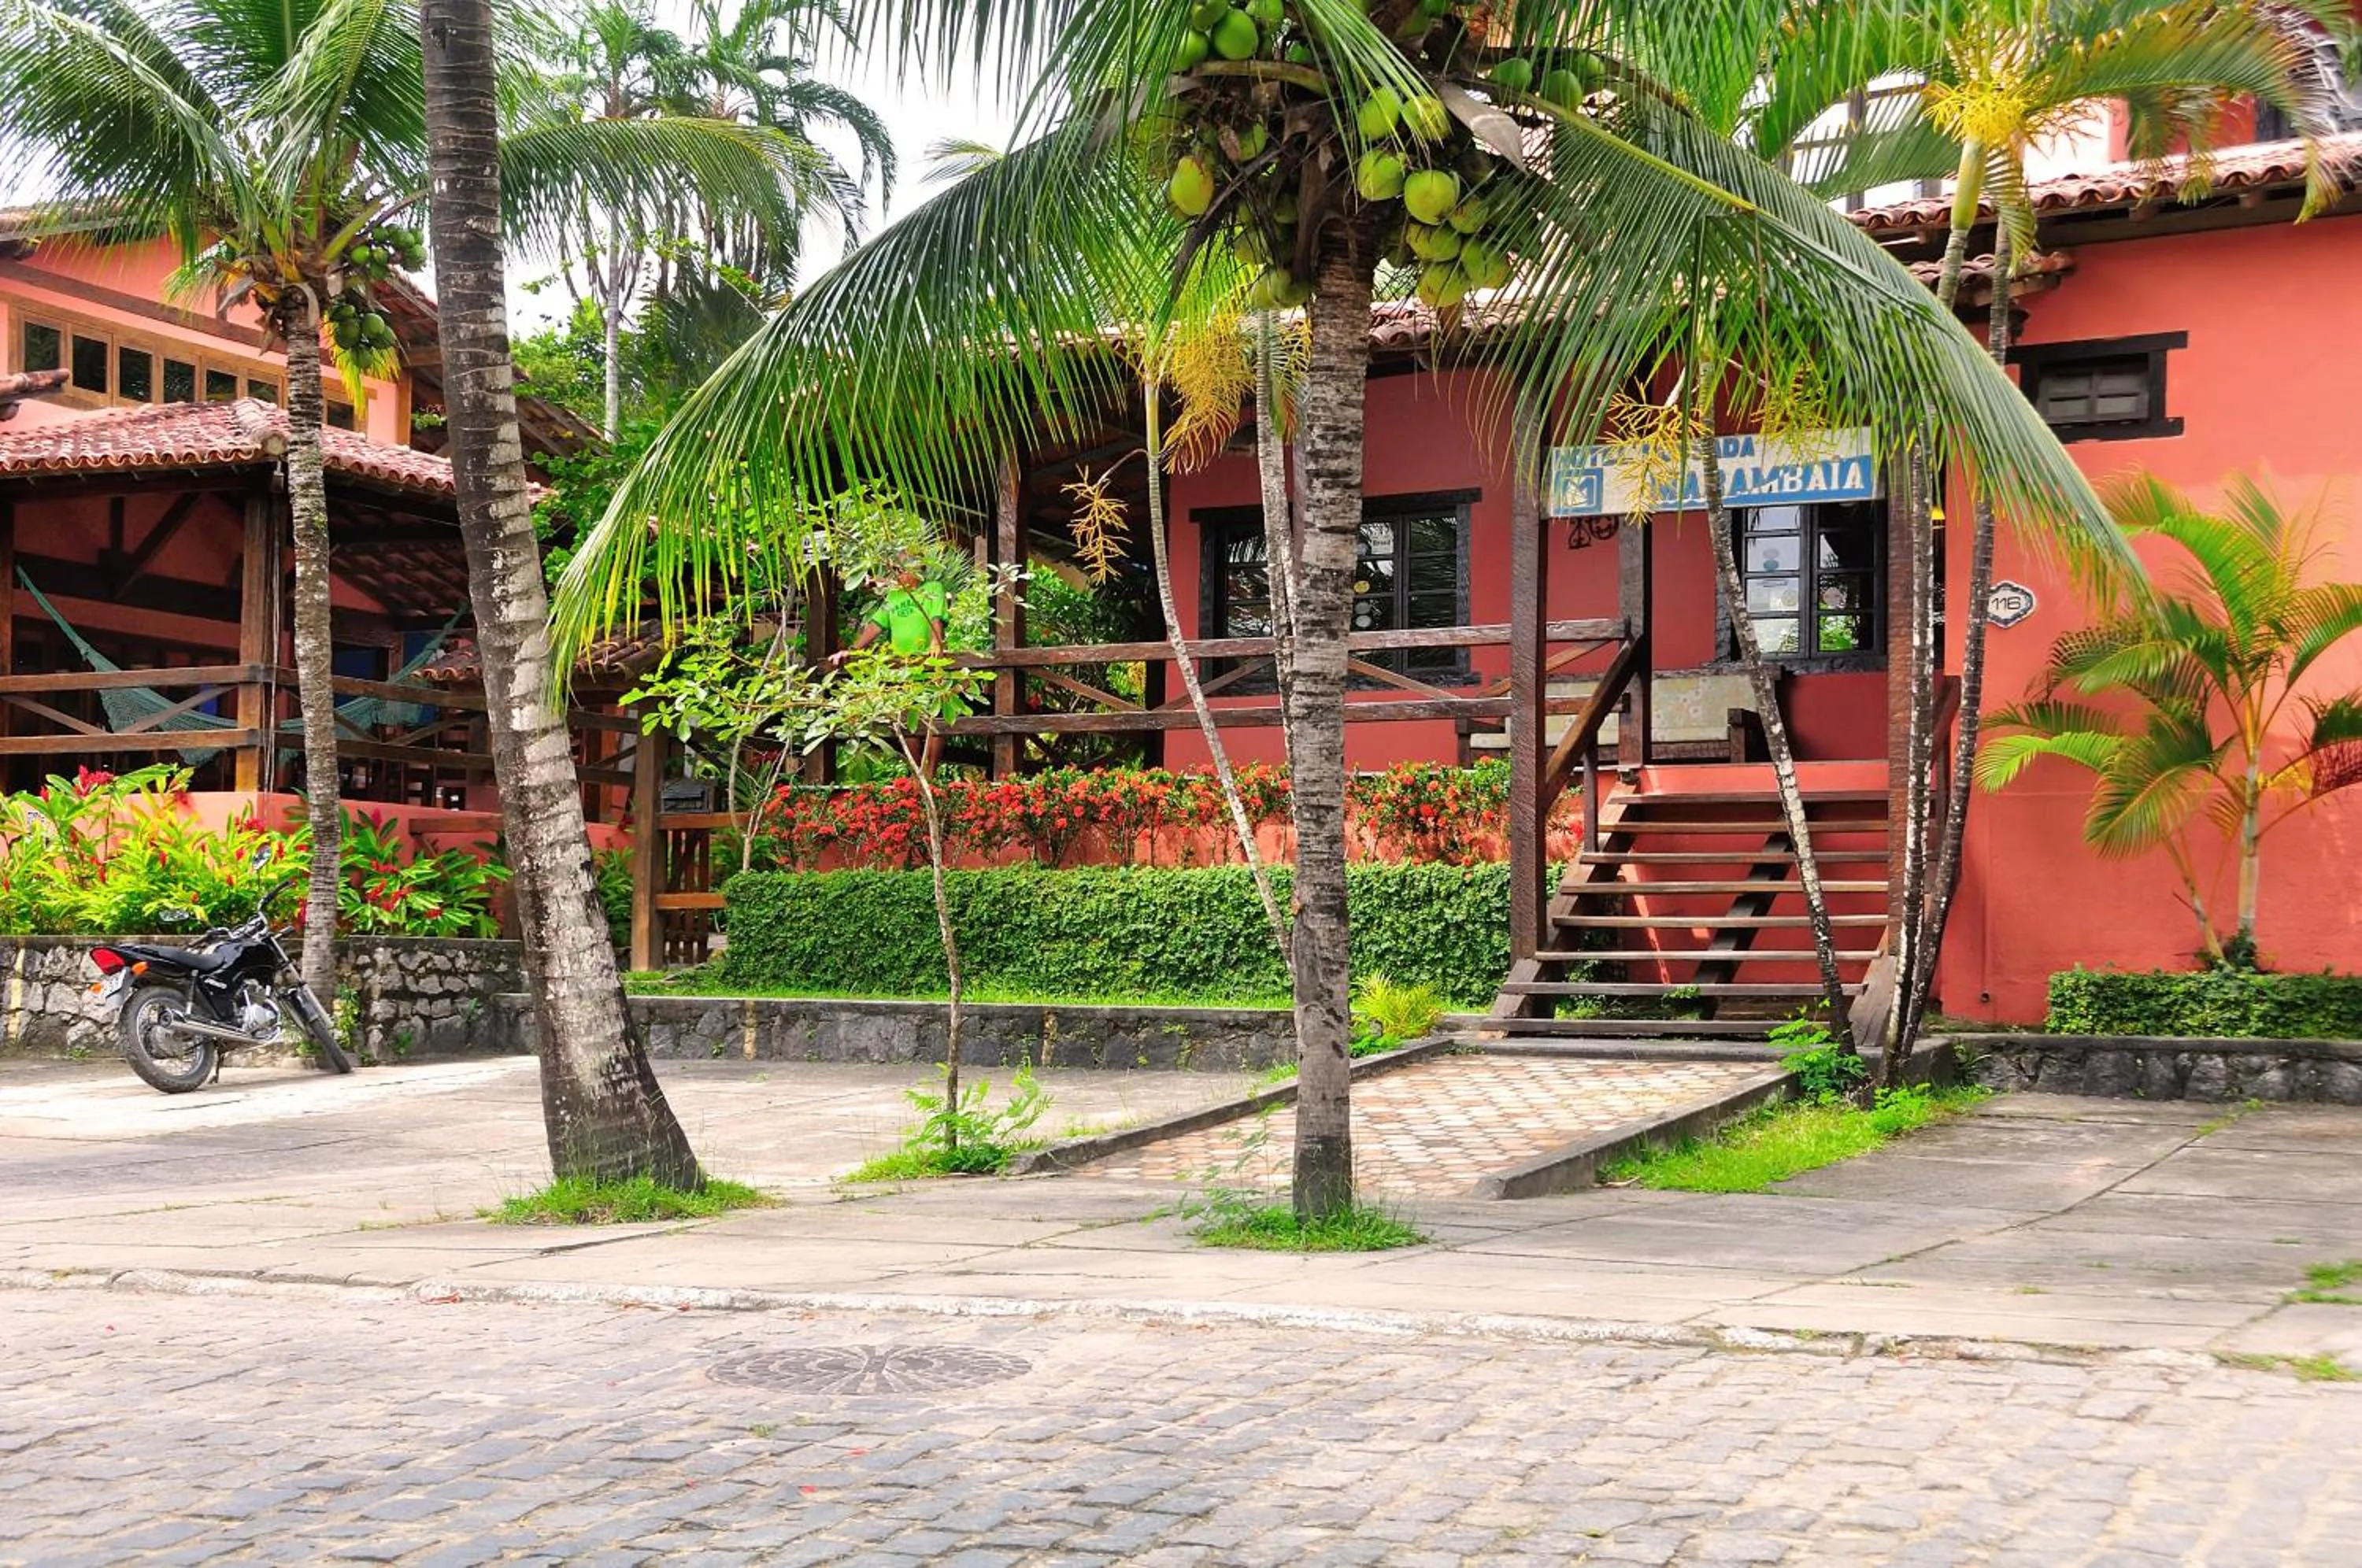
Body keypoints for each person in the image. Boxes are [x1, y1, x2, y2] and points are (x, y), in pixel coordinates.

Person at [830, 557, 957, 776]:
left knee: (935, 718)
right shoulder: (893, 596)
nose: (898, 575)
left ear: (917, 571)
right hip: (903, 670)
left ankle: (931, 774)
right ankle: (917, 774)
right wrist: (853, 650)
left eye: (902, 570)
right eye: (896, 570)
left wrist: (937, 642)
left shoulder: (933, 589)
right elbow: (876, 625)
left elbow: (936, 617)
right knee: (908, 718)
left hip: (930, 665)